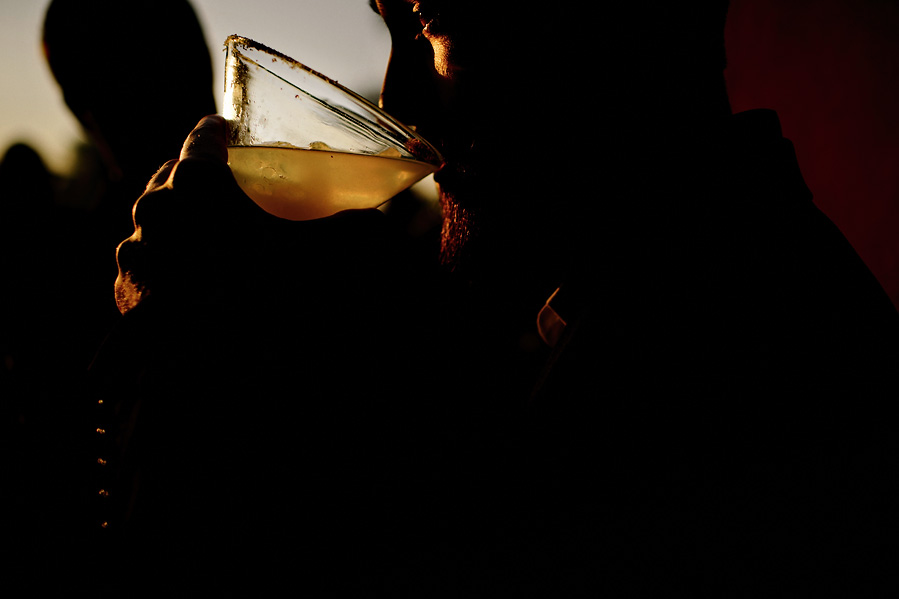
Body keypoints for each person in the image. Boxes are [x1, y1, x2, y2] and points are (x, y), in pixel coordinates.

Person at [93, 0, 899, 595]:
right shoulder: (665, 297)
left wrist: (182, 384)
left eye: (435, 24)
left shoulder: (738, 374)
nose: (399, 102)